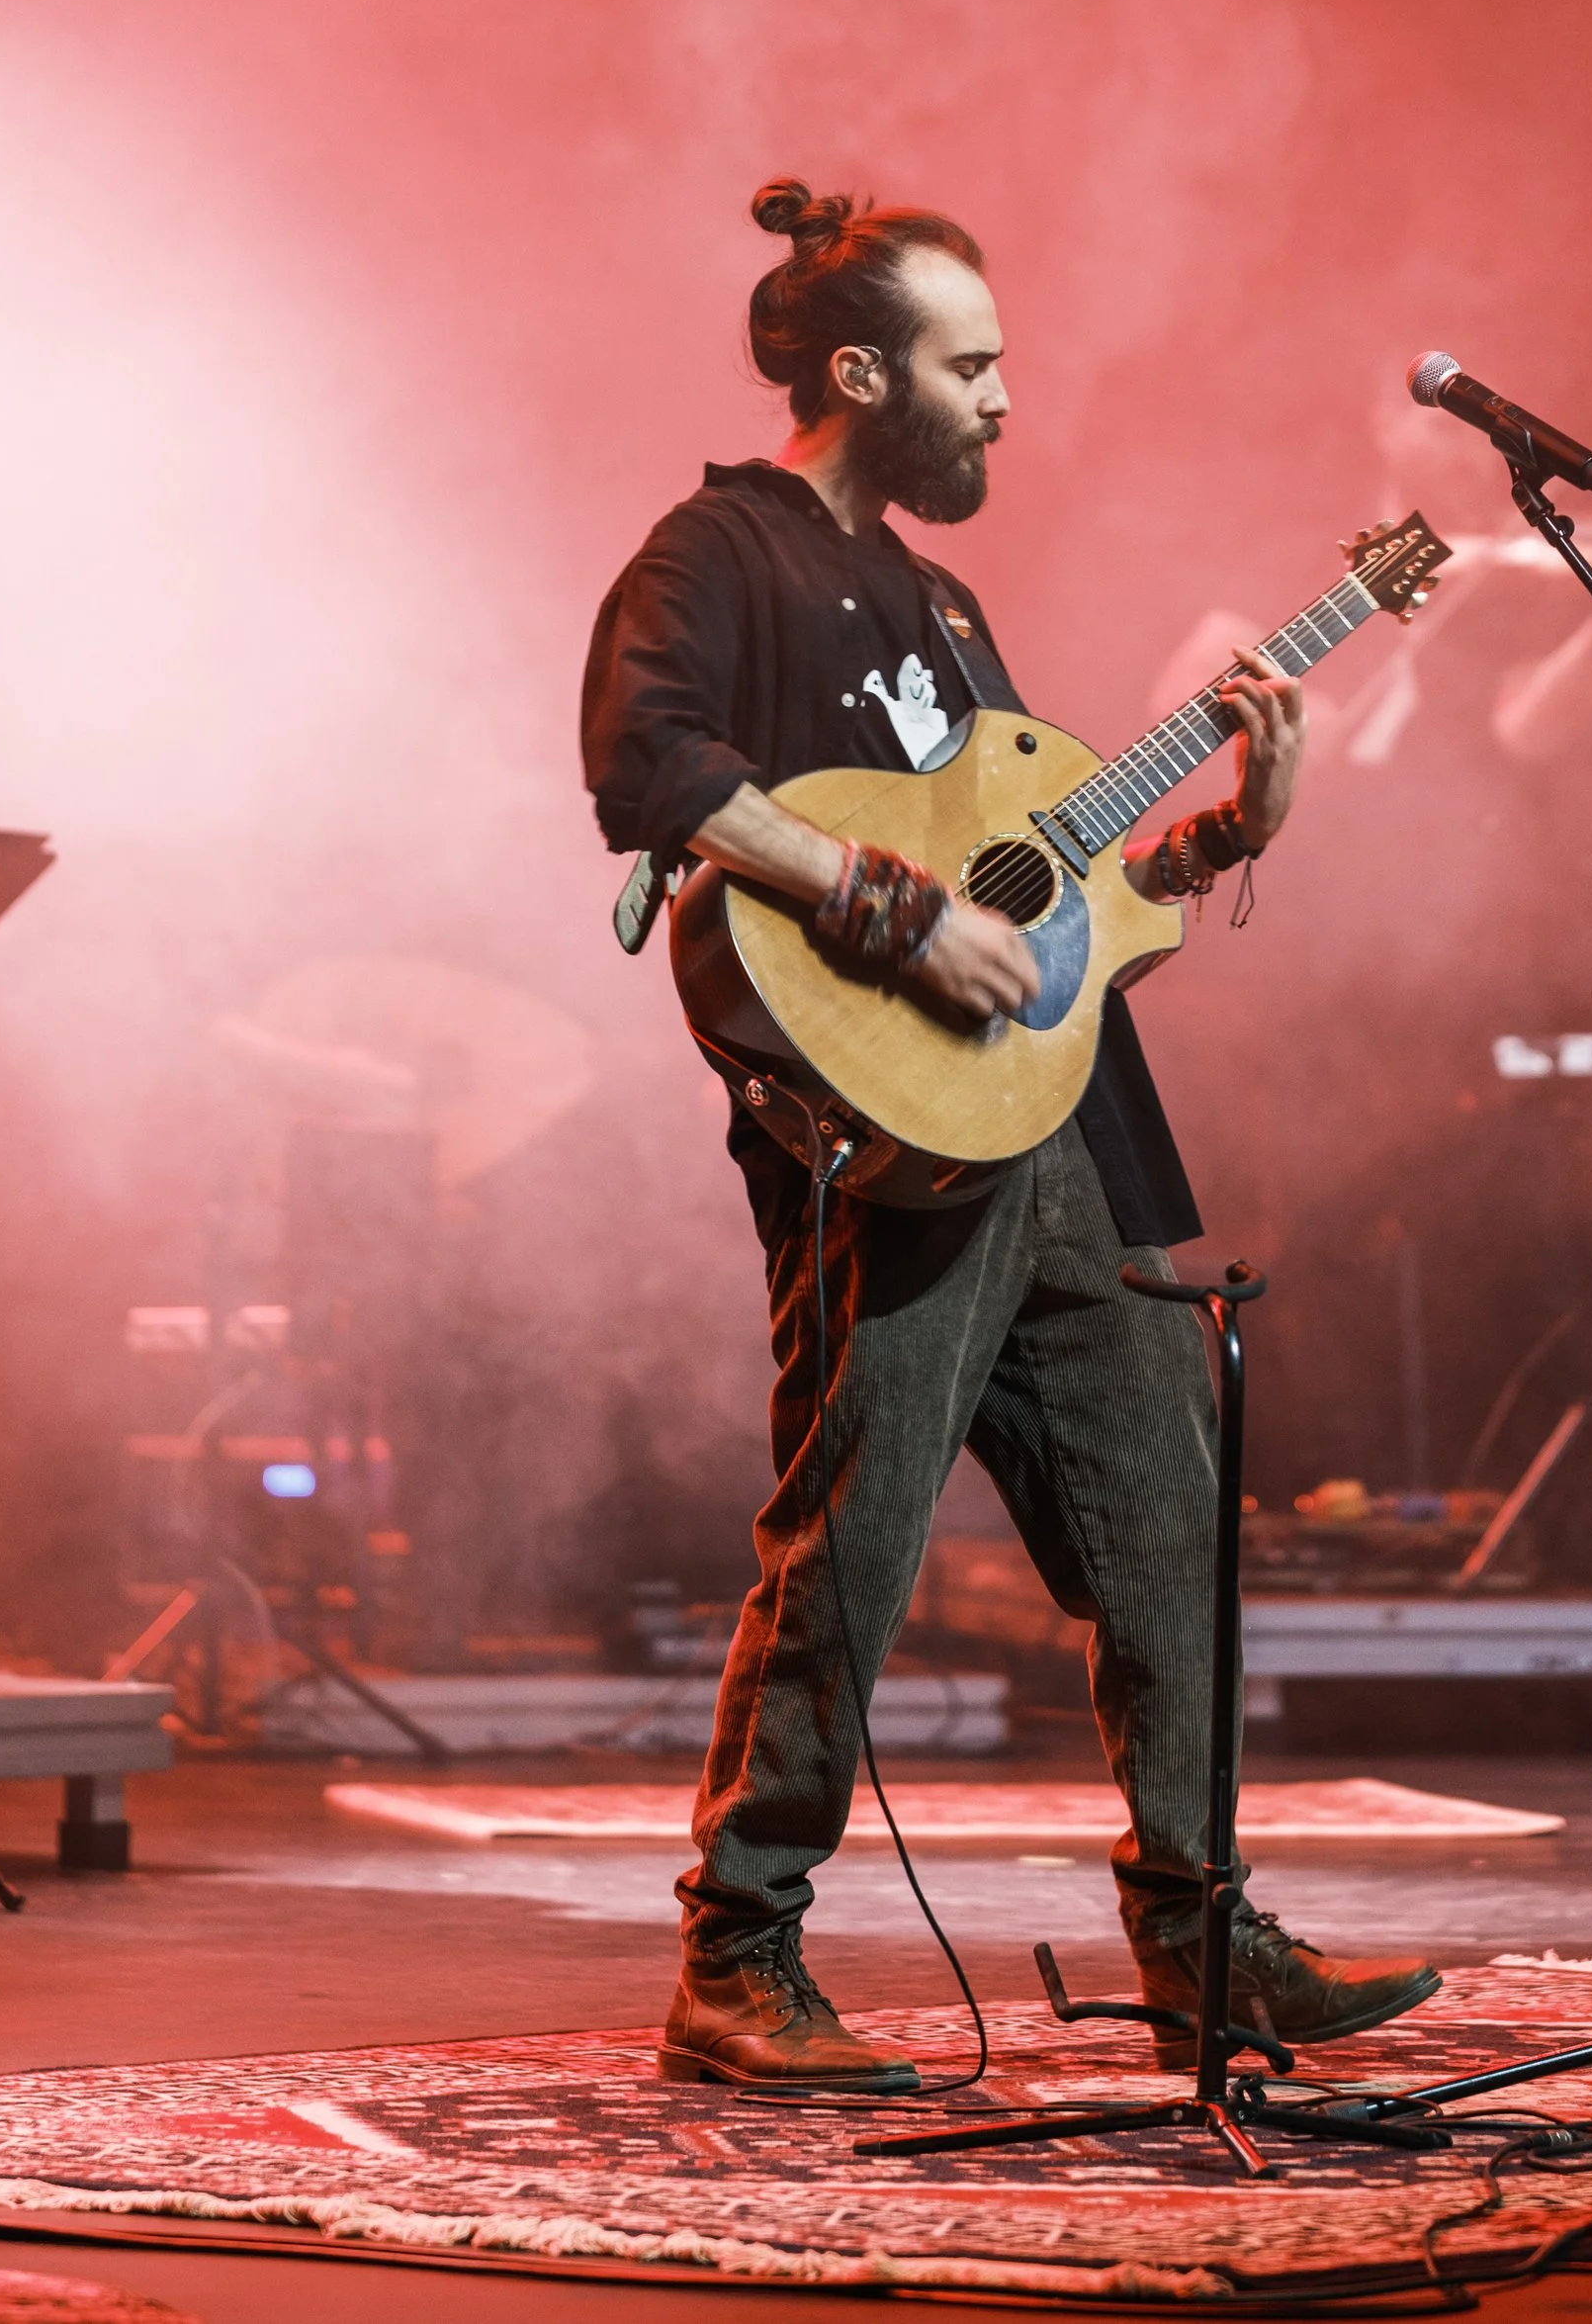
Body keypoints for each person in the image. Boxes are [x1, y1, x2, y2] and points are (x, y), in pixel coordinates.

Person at [580, 178, 1439, 2092]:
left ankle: (1203, 1937)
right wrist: (893, 915)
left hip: (1063, 1143)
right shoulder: (722, 549)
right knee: (853, 1536)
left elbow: (1049, 915)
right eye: (974, 365)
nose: (1004, 401)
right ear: (863, 368)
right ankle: (737, 1956)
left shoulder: (950, 603)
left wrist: (1223, 836)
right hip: (876, 1146)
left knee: (1171, 1526)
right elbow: (651, 771)